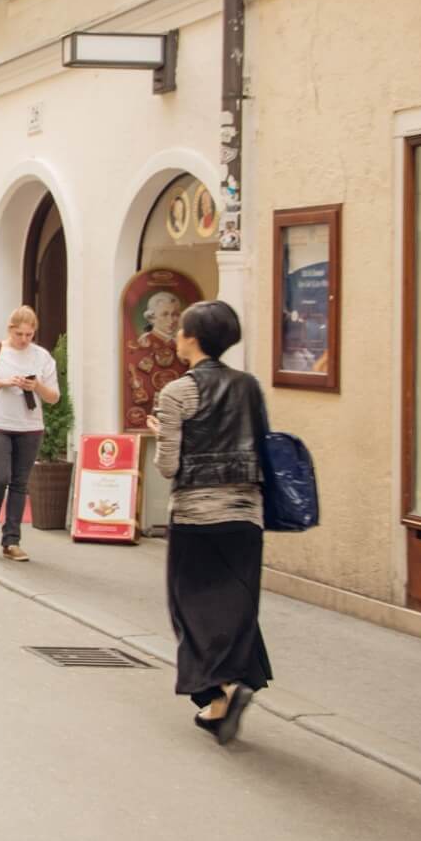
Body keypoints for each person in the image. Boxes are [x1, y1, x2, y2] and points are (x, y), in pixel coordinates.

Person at [146, 300, 273, 746]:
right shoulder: (249, 386)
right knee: (237, 606)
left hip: (196, 515)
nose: (175, 335)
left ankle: (220, 688)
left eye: (180, 329)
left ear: (194, 338)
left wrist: (162, 434)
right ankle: (226, 695)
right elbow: (262, 445)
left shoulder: (176, 392)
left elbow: (168, 465)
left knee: (192, 609)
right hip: (245, 513)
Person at [0, 307, 61, 561]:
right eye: (19, 334)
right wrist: (3, 383)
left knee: (20, 483)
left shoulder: (41, 357)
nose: (24, 339)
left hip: (30, 427)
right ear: (10, 329)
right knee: (0, 476)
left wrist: (36, 385)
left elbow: (54, 397)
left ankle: (12, 541)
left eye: (29, 334)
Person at [125, 290, 187, 431]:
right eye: (165, 314)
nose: (171, 320)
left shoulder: (181, 344)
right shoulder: (142, 344)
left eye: (175, 314)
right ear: (151, 318)